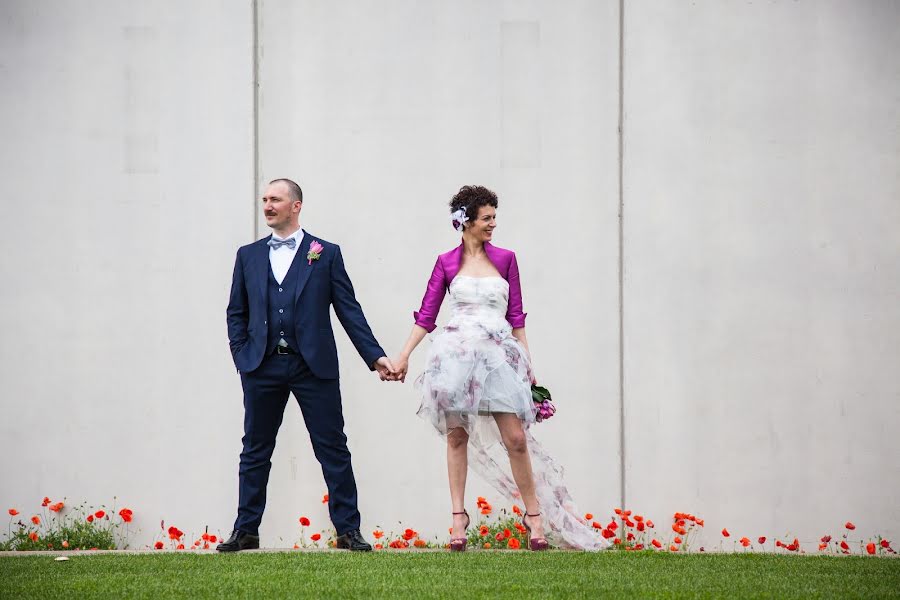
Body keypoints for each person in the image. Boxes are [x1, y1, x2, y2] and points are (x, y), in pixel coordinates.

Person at [392, 185, 607, 551]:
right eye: (486, 218)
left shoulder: (506, 259)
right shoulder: (446, 262)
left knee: (516, 439)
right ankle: (458, 519)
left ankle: (533, 516)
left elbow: (516, 315)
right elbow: (427, 314)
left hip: (497, 356)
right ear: (467, 221)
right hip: (456, 357)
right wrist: (403, 356)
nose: (493, 224)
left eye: (494, 217)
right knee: (456, 436)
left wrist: (528, 363)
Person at [218, 178, 396, 552]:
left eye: (275, 199)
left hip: (313, 366)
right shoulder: (247, 255)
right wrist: (242, 356)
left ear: (296, 206)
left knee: (332, 447)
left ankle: (348, 530)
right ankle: (245, 529)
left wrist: (375, 356)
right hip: (261, 366)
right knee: (255, 449)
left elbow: (349, 310)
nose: (267, 205)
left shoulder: (325, 253)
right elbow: (237, 311)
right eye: (264, 199)